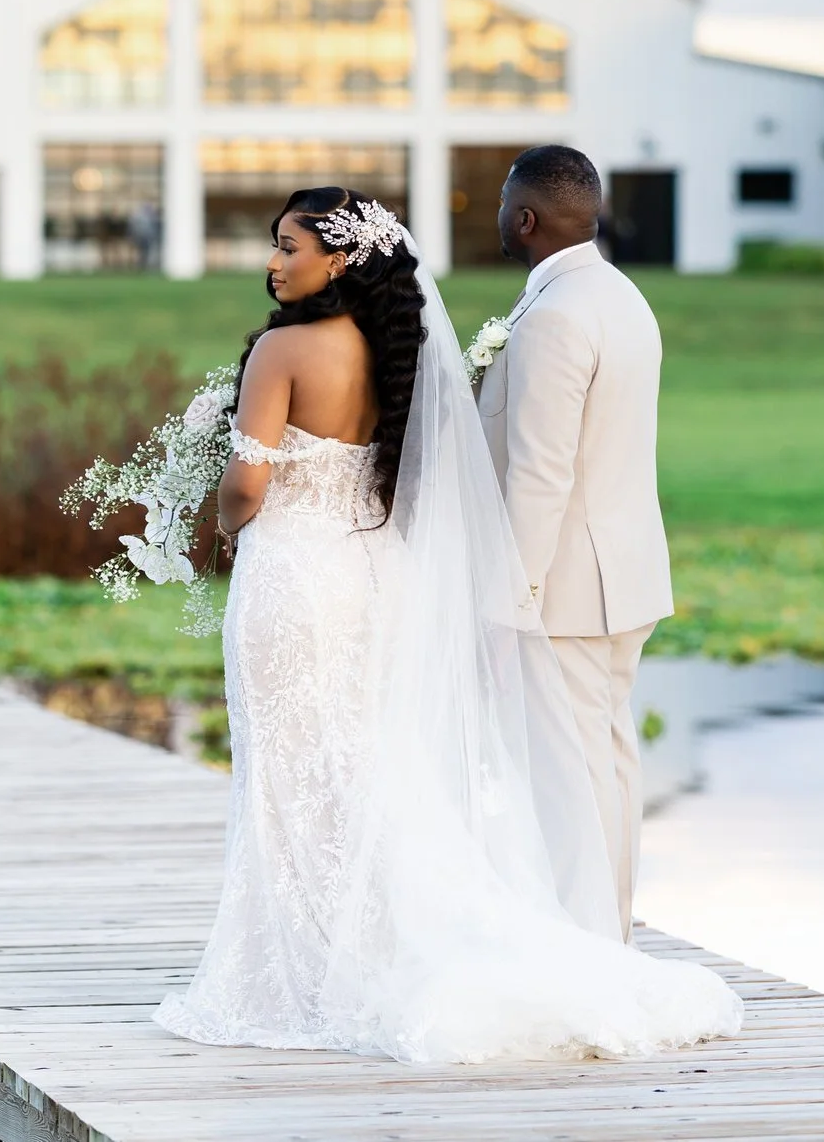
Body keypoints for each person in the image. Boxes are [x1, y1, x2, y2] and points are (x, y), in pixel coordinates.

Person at [153, 186, 740, 1063]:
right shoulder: (392, 353)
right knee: (365, 764)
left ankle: (303, 974)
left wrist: (215, 516)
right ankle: (371, 949)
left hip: (294, 579)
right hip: (368, 579)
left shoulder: (283, 349)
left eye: (287, 245)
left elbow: (247, 486)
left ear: (340, 258)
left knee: (291, 774)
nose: (273, 263)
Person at [479, 145, 670, 941]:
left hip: (569, 586)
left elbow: (540, 475)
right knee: (609, 758)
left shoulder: (555, 316)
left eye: (500, 199)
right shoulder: (618, 293)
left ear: (525, 217)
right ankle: (609, 932)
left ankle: (592, 943)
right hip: (619, 573)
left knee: (579, 768)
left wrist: (505, 593)